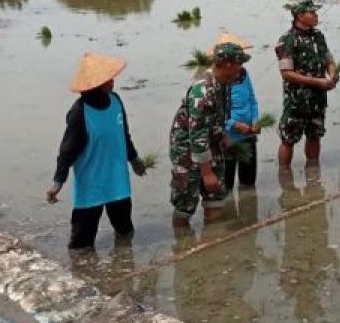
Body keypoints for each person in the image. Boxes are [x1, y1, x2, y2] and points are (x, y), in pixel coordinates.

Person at [46, 53, 145, 248]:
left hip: (118, 182)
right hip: (91, 187)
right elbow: (67, 152)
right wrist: (58, 183)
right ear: (96, 84)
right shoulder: (79, 113)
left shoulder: (116, 102)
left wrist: (134, 160)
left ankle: (123, 266)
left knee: (125, 233)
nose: (113, 82)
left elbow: (123, 135)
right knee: (81, 245)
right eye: (108, 79)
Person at [169, 42, 249, 226]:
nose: (240, 69)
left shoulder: (224, 86)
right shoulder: (202, 91)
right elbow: (197, 136)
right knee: (185, 205)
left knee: (215, 198)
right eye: (239, 64)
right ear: (228, 64)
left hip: (213, 147)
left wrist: (230, 137)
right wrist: (206, 173)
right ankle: (182, 246)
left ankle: (212, 241)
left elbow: (220, 119)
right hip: (188, 153)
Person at [276, 0, 336, 169]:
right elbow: (286, 73)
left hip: (318, 98)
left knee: (315, 135)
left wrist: (332, 75)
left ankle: (313, 174)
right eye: (313, 13)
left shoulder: (319, 36)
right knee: (288, 139)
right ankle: (285, 177)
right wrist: (317, 81)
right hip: (296, 100)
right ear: (300, 16)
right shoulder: (287, 40)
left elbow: (329, 60)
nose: (317, 15)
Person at [218, 33, 260, 189]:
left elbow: (252, 100)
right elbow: (216, 113)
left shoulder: (244, 74)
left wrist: (255, 120)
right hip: (227, 136)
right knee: (226, 184)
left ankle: (248, 210)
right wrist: (234, 124)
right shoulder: (218, 80)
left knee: (248, 182)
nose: (240, 63)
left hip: (248, 132)